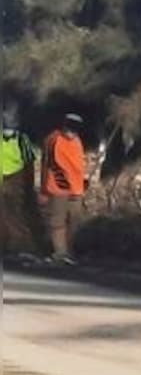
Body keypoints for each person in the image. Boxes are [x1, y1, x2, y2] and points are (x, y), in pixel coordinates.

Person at [41, 113, 87, 265]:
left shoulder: (77, 141)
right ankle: (60, 253)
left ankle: (71, 253)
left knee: (75, 221)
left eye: (75, 130)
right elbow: (50, 165)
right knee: (58, 222)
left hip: (76, 189)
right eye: (70, 128)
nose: (72, 132)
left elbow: (78, 166)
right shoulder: (53, 140)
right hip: (59, 188)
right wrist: (45, 189)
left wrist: (82, 182)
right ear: (64, 126)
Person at [0, 107, 38, 254]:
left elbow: (29, 162)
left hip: (15, 179)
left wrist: (28, 184)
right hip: (6, 178)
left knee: (14, 213)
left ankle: (20, 246)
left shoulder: (21, 139)